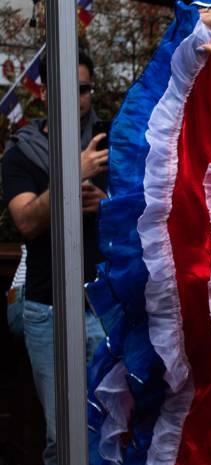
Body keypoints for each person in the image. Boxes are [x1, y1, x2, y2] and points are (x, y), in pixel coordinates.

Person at [1, 49, 109, 465]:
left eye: (83, 89)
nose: (77, 97)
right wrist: (72, 175)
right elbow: (26, 222)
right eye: (66, 88)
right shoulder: (22, 152)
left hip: (106, 304)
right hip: (47, 307)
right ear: (45, 93)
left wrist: (107, 203)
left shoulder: (113, 141)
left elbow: (147, 213)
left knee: (113, 426)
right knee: (61, 434)